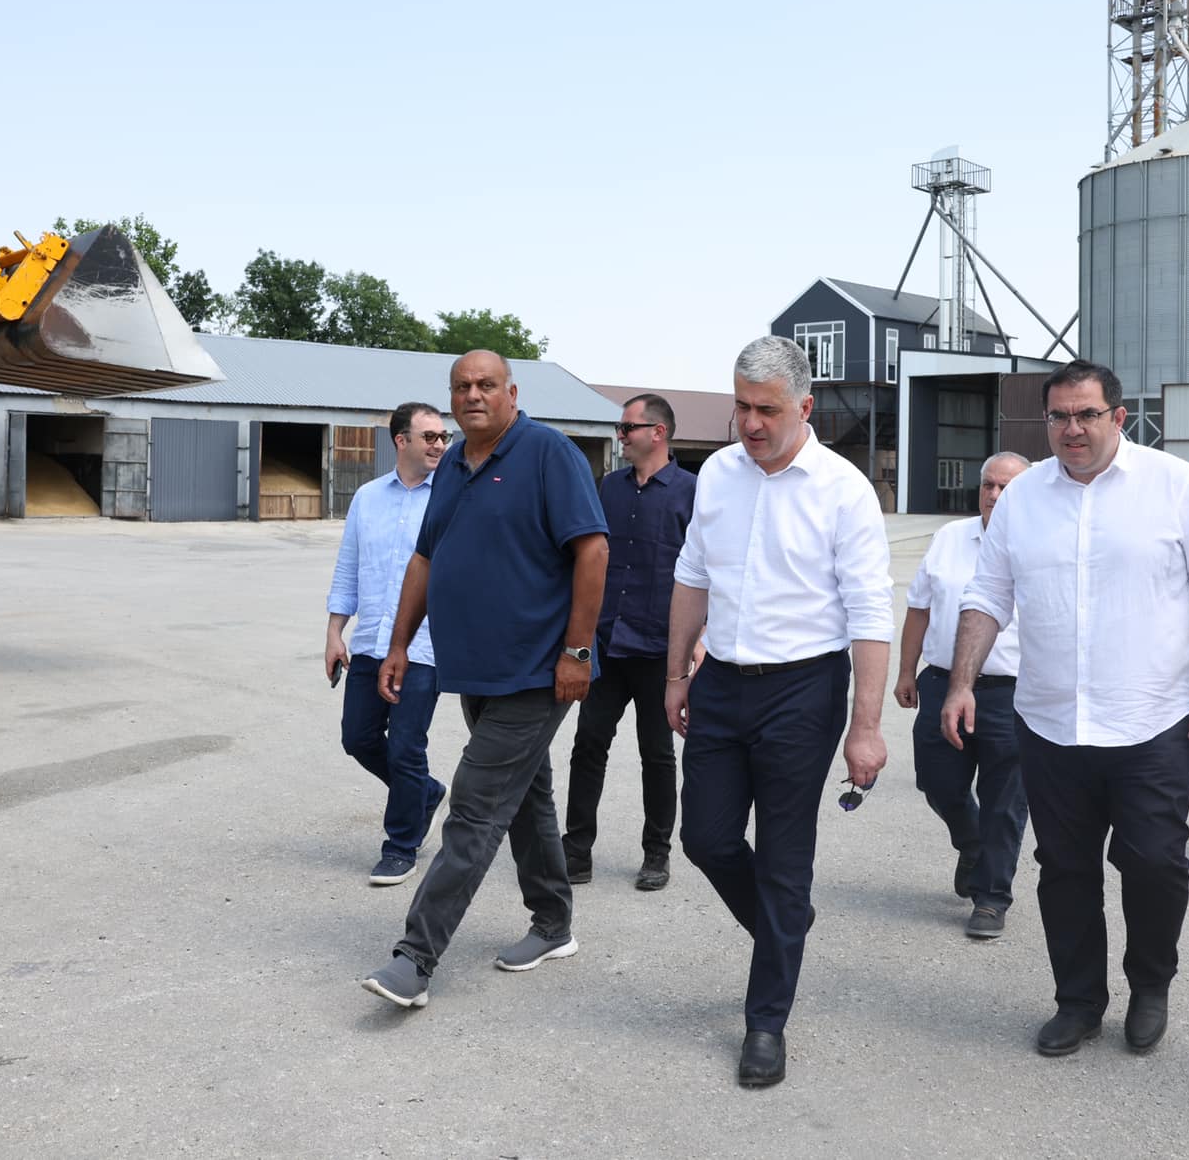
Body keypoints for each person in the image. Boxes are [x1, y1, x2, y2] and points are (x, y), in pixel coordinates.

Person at [947, 359, 1189, 1058]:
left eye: (1086, 414)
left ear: (1119, 416)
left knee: (1154, 863)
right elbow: (988, 595)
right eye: (1059, 416)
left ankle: (1150, 985)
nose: (1072, 429)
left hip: (1152, 721)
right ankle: (1078, 1001)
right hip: (1051, 723)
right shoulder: (1023, 498)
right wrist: (961, 682)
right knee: (1064, 868)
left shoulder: (1177, 485)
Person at [664, 336, 892, 1088]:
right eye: (742, 406)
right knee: (705, 838)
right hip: (721, 682)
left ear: (805, 406)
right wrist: (676, 673)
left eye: (766, 409)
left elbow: (870, 613)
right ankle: (784, 925)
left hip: (804, 690)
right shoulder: (718, 474)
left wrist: (866, 727)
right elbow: (692, 577)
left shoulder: (842, 489)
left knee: (785, 858)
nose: (751, 423)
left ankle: (765, 1024)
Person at [361, 351, 609, 1010]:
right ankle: (553, 924)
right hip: (476, 668)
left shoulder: (548, 453)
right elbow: (425, 558)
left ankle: (415, 958)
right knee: (525, 798)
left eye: (486, 385)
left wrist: (577, 652)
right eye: (462, 386)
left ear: (511, 393)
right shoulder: (452, 466)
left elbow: (593, 549)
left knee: (474, 805)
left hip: (538, 670)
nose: (473, 395)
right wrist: (399, 644)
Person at [562, 393, 697, 892]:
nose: (620, 437)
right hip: (607, 643)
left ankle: (656, 854)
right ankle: (576, 851)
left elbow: (709, 572)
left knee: (656, 754)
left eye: (627, 428)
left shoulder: (691, 492)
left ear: (657, 433)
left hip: (661, 648)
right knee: (587, 746)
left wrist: (699, 639)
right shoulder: (608, 488)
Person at [894, 451, 1030, 940]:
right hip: (942, 682)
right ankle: (972, 843)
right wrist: (906, 671)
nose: (994, 495)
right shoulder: (951, 537)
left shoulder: (1040, 543)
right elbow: (919, 608)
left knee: (1005, 801)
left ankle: (991, 898)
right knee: (937, 782)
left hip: (1010, 693)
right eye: (988, 485)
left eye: (1006, 488)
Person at [326, 401, 452, 886]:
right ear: (401, 441)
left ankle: (401, 845)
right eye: (429, 437)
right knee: (357, 738)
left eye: (443, 437)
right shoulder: (368, 497)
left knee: (404, 747)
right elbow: (349, 567)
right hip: (371, 641)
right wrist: (335, 632)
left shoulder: (451, 499)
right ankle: (425, 793)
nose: (439, 445)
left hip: (424, 646)